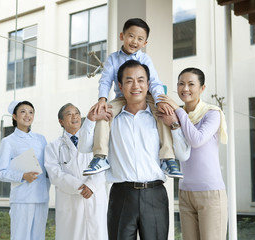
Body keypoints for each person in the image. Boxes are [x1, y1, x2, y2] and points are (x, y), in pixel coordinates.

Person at [79, 60, 190, 239]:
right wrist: (91, 119)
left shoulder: (162, 117)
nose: (136, 85)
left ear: (148, 85)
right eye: (129, 81)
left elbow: (184, 155)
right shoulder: (110, 117)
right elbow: (83, 147)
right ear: (121, 86)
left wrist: (175, 125)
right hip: (122, 195)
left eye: (140, 80)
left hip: (155, 195)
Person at [83, 18, 182, 178]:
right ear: (122, 36)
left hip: (146, 96)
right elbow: (106, 80)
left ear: (145, 43)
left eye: (140, 39)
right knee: (104, 112)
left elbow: (155, 82)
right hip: (123, 97)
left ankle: (168, 159)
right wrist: (102, 99)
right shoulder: (113, 58)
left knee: (162, 112)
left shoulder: (145, 59)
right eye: (131, 36)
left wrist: (159, 101)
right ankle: (100, 156)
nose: (134, 41)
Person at [158, 67, 228, 240]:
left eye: (191, 84)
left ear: (202, 88)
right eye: (181, 84)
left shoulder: (212, 113)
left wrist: (178, 112)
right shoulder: (175, 115)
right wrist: (175, 116)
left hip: (210, 193)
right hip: (185, 191)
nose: (185, 89)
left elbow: (196, 140)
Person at [44, 103, 109, 240]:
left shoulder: (94, 139)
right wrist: (80, 187)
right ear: (61, 121)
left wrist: (91, 185)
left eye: (77, 113)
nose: (74, 117)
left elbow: (104, 163)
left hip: (94, 196)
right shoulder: (53, 147)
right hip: (70, 201)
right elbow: (55, 174)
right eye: (69, 114)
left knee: (97, 234)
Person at [0, 100, 50, 240]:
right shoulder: (8, 141)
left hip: (41, 197)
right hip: (21, 199)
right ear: (14, 116)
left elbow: (48, 165)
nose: (28, 115)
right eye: (23, 112)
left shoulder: (41, 139)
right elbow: (1, 172)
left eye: (31, 112)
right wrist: (23, 175)